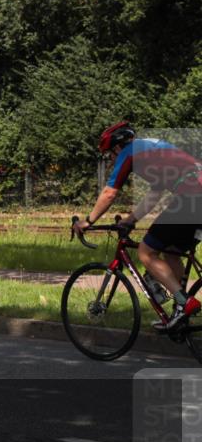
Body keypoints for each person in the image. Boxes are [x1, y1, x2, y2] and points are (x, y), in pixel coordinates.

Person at [75, 122, 202, 331]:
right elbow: (155, 194)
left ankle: (183, 303)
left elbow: (109, 193)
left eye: (110, 155)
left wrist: (88, 221)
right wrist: (131, 219)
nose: (112, 160)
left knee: (146, 252)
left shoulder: (129, 152)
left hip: (191, 197)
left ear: (117, 147)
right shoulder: (151, 149)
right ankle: (180, 315)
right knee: (171, 253)